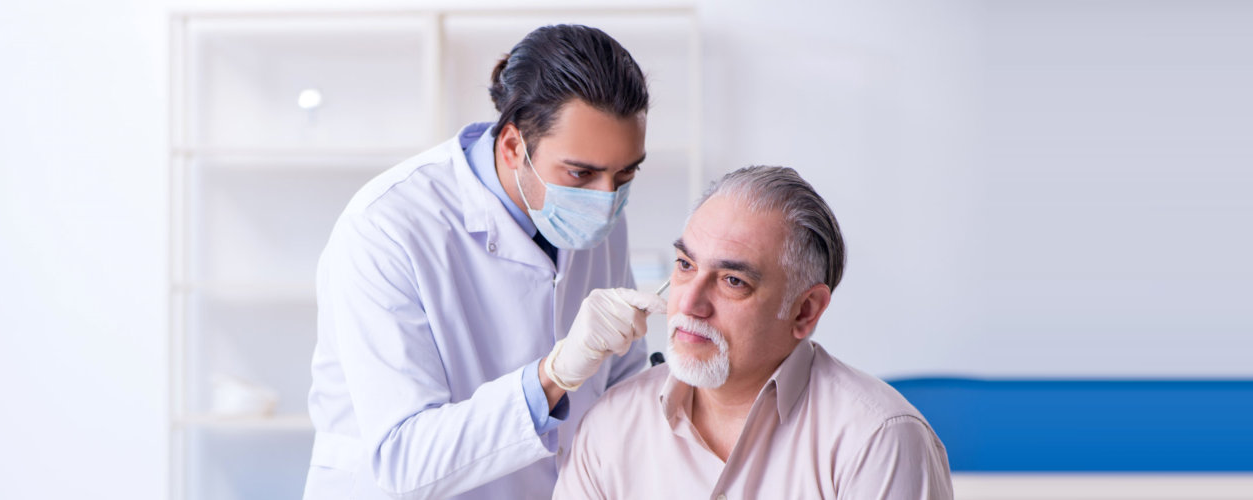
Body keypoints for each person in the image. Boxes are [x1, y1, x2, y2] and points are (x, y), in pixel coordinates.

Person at [303, 25, 666, 500]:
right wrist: (552, 377)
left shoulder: (600, 214)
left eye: (626, 173)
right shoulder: (386, 227)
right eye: (581, 173)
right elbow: (404, 459)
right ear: (514, 146)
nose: (607, 198)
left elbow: (618, 382)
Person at [553, 166, 955, 499]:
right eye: (685, 265)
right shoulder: (610, 428)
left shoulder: (877, 440)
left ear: (805, 310)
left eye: (732, 281)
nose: (690, 304)